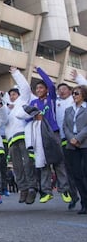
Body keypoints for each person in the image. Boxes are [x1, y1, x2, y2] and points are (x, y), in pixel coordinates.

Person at [29, 66, 71, 204]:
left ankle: (64, 190)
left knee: (59, 161)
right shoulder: (33, 103)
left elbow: (51, 84)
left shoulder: (51, 98)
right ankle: (46, 192)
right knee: (43, 163)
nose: (39, 90)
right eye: (37, 89)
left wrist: (39, 70)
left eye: (42, 88)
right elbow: (27, 117)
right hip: (40, 134)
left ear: (46, 90)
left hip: (53, 132)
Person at [5, 67, 37, 204]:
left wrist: (16, 74)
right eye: (10, 94)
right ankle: (23, 188)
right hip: (12, 140)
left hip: (23, 136)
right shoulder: (7, 109)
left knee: (28, 163)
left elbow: (25, 88)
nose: (12, 96)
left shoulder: (23, 101)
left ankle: (32, 188)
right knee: (17, 166)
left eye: (14, 94)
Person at [63, 85, 87, 214]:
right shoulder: (68, 110)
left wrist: (78, 138)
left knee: (85, 173)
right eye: (73, 93)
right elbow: (65, 126)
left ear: (83, 94)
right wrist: (71, 138)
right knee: (77, 175)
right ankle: (84, 203)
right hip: (72, 146)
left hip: (84, 144)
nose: (74, 95)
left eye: (76, 93)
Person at [56, 83, 79, 209]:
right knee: (68, 170)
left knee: (81, 169)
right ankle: (73, 196)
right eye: (59, 90)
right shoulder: (57, 103)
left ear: (70, 91)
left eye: (64, 89)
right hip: (64, 140)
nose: (61, 92)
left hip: (79, 140)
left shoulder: (75, 101)